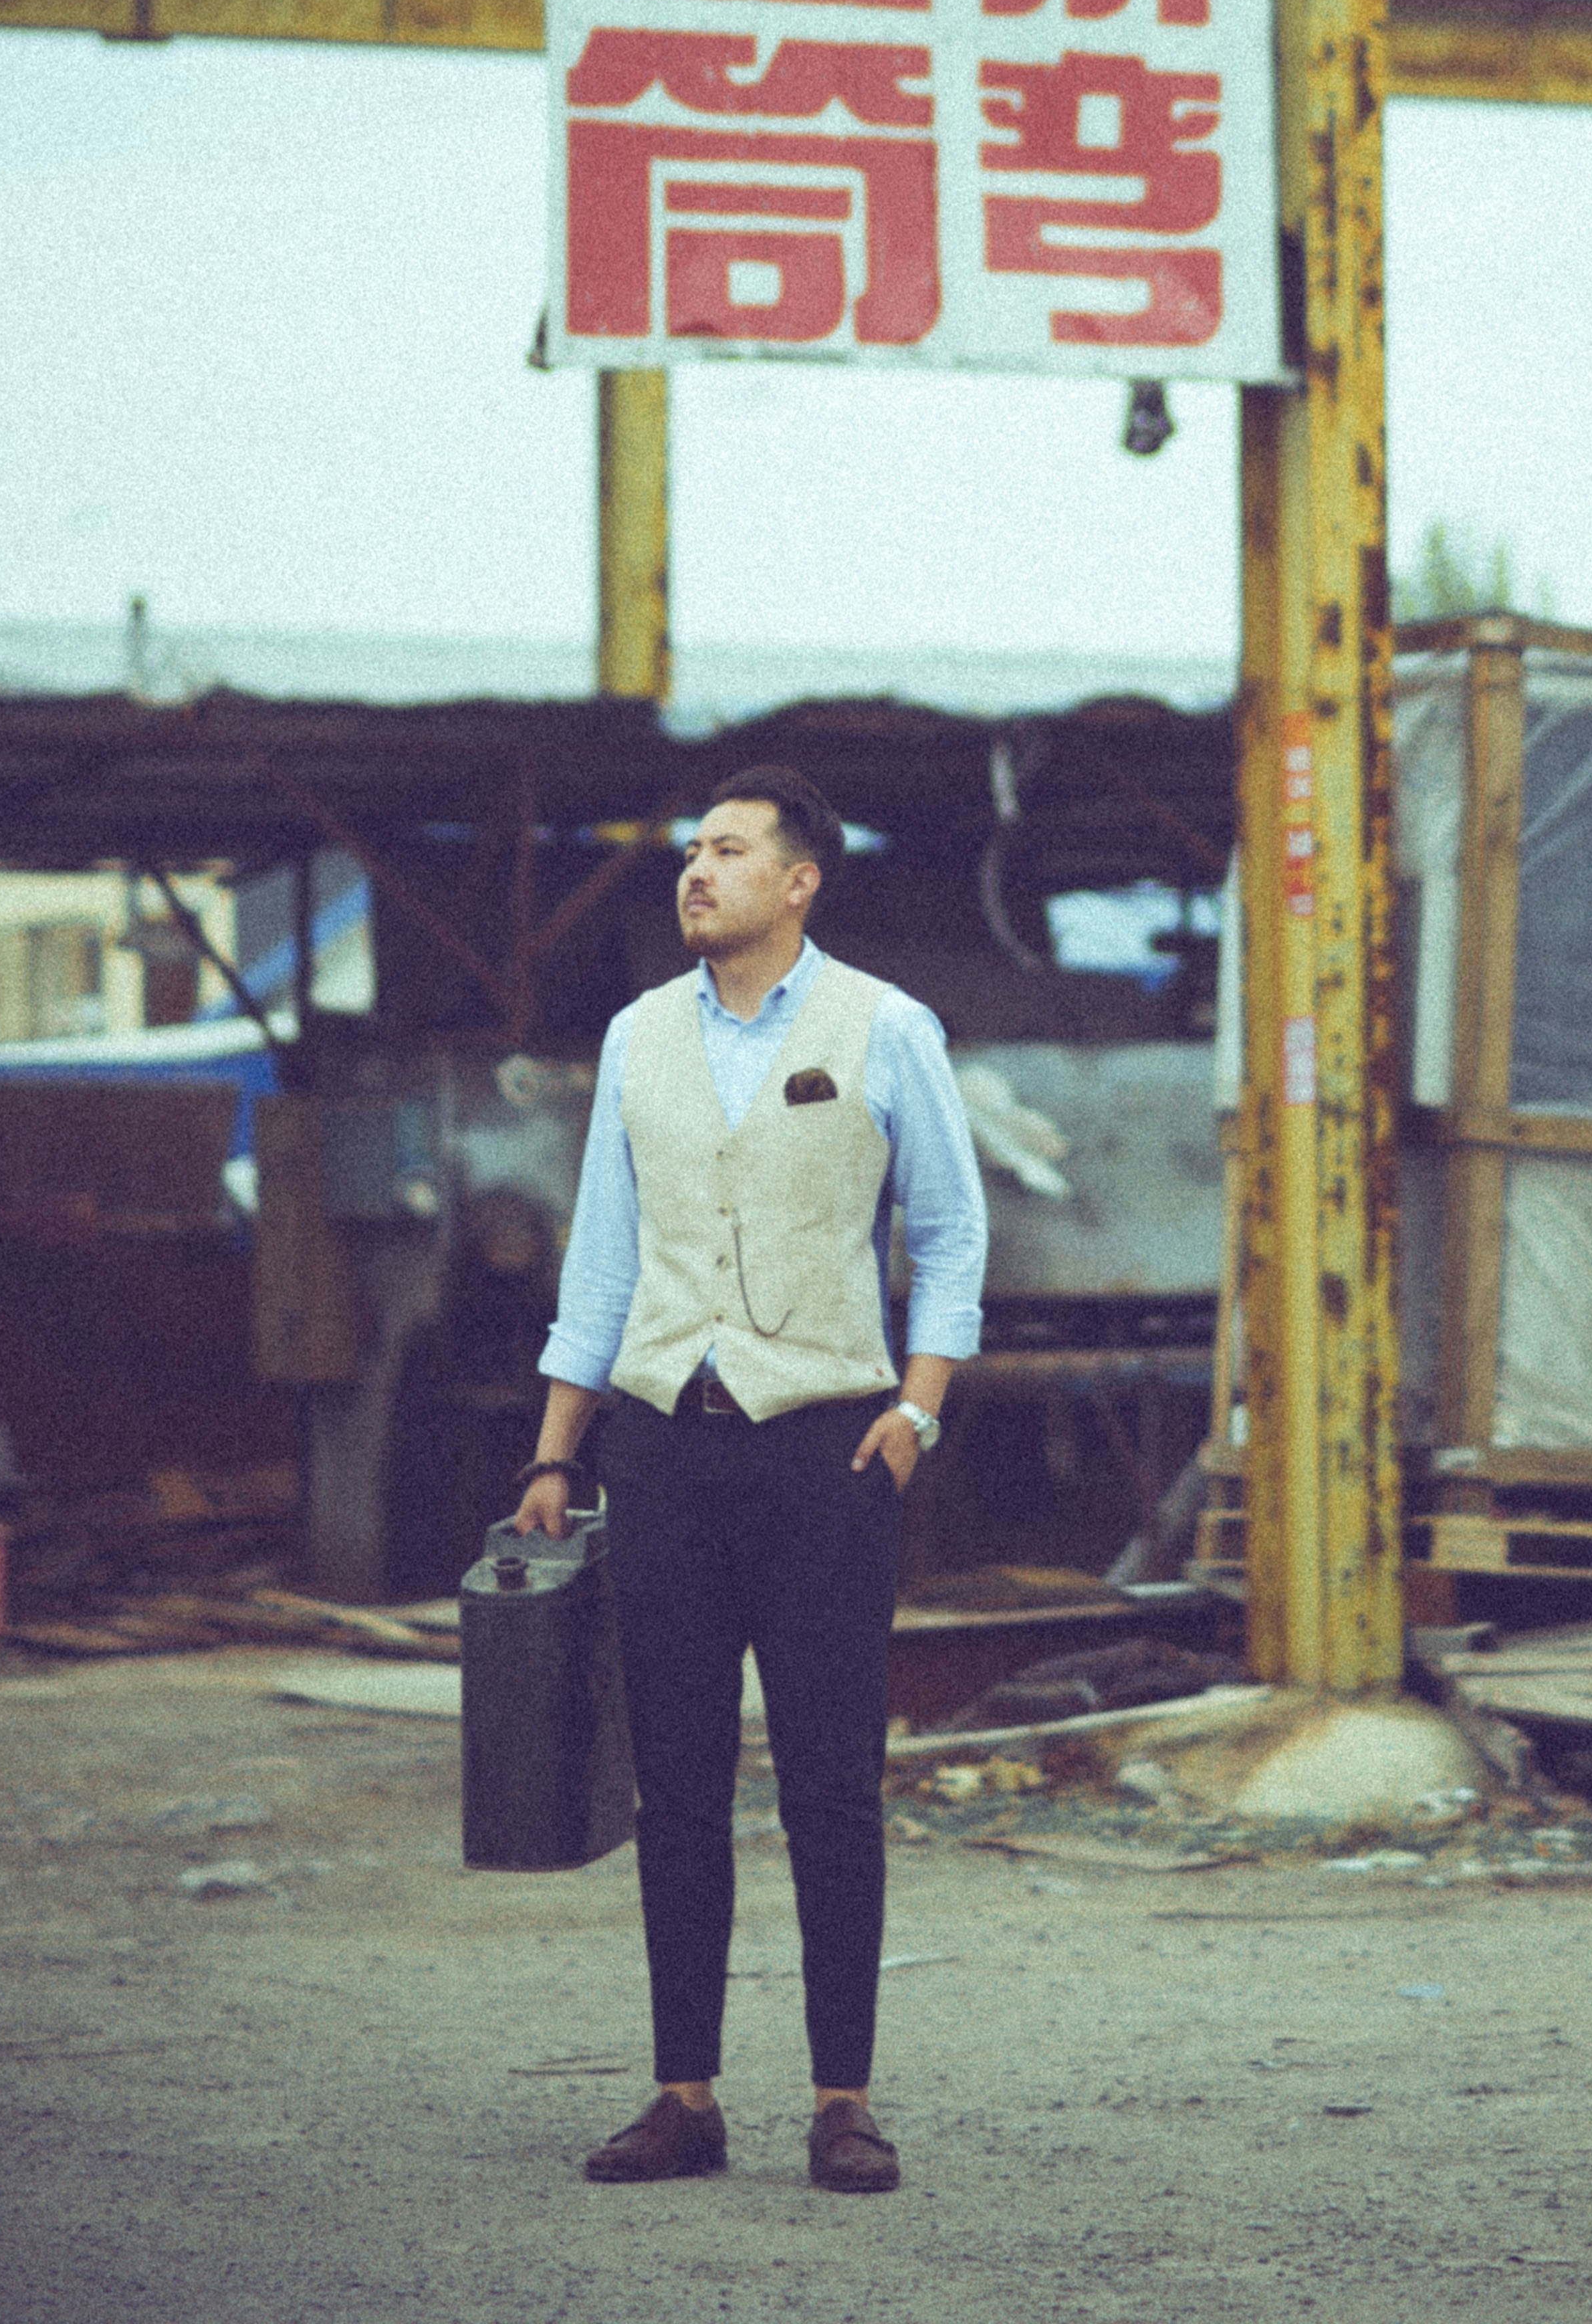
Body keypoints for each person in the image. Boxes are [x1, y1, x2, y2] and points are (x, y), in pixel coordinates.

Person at [516, 768, 986, 2199]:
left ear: (800, 881)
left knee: (833, 1783)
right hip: (663, 1438)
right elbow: (602, 1253)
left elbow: (952, 1233)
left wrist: (917, 1406)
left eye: (728, 849)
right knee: (679, 1785)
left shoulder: (886, 1026)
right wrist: (555, 1448)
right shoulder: (638, 1035)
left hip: (826, 1444)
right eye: (690, 849)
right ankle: (684, 2093)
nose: (696, 869)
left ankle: (842, 2098)